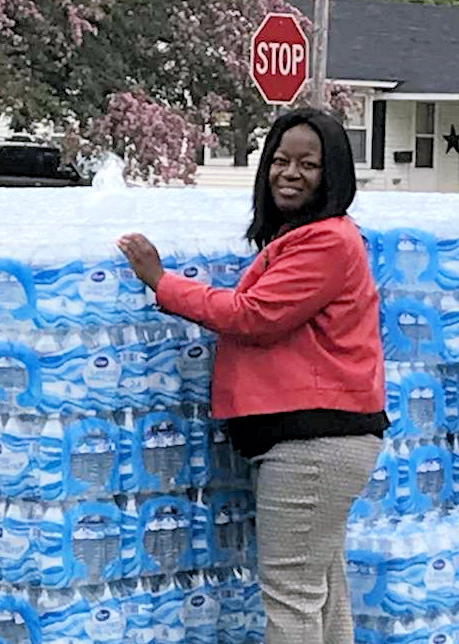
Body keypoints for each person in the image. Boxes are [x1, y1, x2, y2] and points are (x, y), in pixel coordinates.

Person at [118, 107, 387, 644]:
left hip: (314, 444)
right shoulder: (300, 237)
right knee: (321, 593)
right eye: (280, 161)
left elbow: (254, 315)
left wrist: (161, 283)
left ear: (333, 174)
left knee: (291, 597)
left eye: (307, 164)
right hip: (316, 442)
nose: (290, 173)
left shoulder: (329, 241)